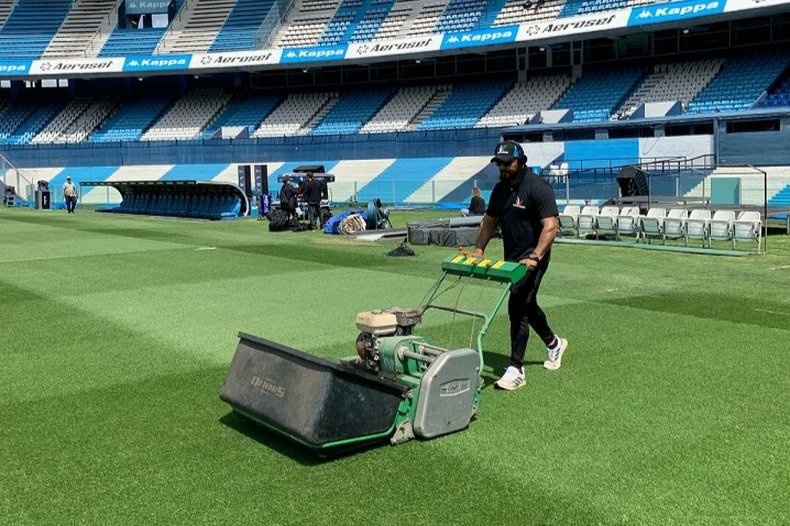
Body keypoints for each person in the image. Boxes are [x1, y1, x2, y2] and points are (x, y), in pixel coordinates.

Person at [472, 140, 568, 391]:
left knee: (517, 305)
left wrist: (535, 256)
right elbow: (489, 222)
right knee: (527, 304)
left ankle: (516, 369)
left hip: (535, 257)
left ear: (521, 162)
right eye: (499, 164)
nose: (503, 168)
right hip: (512, 259)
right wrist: (479, 249)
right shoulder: (499, 190)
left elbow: (551, 227)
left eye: (507, 163)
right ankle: (554, 343)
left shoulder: (538, 188)